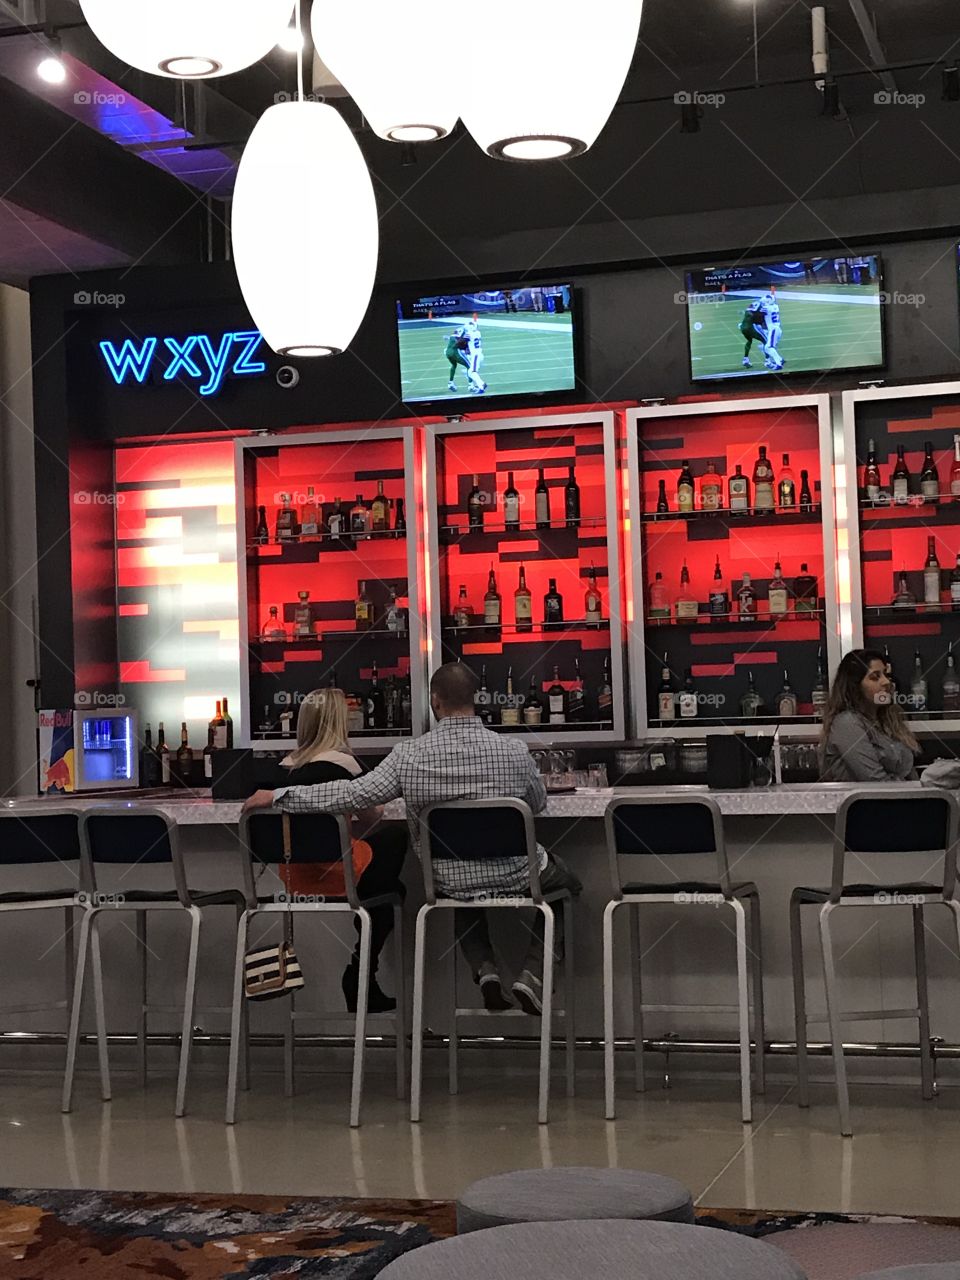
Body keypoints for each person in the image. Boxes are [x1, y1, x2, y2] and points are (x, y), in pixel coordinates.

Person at [244, 663, 581, 1016]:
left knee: (462, 887)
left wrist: (279, 795)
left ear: (434, 701)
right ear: (476, 699)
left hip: (445, 879)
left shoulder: (408, 755)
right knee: (567, 886)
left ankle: (486, 971)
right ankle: (534, 974)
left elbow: (350, 794)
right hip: (518, 874)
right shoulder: (514, 751)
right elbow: (537, 804)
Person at [276, 688, 408, 1014]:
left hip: (294, 878)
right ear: (338, 723)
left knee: (388, 891)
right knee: (394, 849)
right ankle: (360, 972)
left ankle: (362, 976)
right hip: (339, 875)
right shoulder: (345, 764)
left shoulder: (282, 768)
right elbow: (373, 815)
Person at [819, 648, 919, 782]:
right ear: (855, 687)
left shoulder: (888, 722)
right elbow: (875, 780)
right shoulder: (847, 723)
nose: (886, 682)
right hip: (875, 796)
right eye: (875, 677)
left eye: (886, 675)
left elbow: (909, 773)